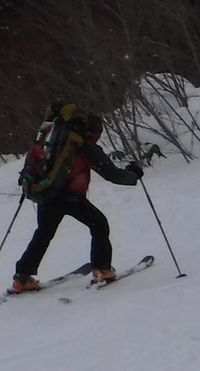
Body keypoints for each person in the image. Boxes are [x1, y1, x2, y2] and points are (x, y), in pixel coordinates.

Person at [11, 110, 144, 292]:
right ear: (93, 132)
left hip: (47, 194)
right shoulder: (83, 145)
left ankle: (22, 277)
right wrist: (134, 174)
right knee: (99, 224)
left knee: (43, 234)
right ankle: (102, 269)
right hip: (70, 196)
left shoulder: (55, 140)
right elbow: (112, 174)